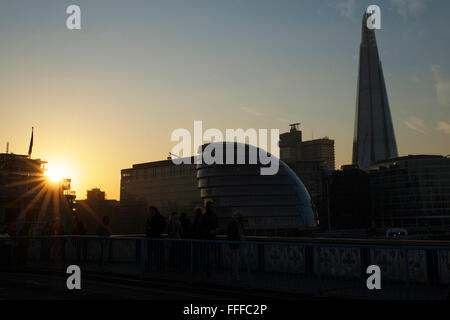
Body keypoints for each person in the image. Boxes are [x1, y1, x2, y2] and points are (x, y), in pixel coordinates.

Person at [145, 206, 166, 272]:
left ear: (154, 210)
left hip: (155, 237)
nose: (149, 211)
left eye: (151, 210)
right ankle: (152, 267)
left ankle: (156, 267)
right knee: (152, 254)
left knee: (156, 253)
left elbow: (161, 226)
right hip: (152, 237)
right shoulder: (152, 217)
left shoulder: (158, 217)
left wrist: (151, 229)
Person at [227, 210, 246, 282]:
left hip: (236, 244)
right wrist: (240, 237)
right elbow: (232, 234)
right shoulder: (233, 223)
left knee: (235, 261)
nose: (241, 219)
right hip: (235, 244)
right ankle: (235, 276)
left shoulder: (236, 223)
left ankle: (235, 276)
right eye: (240, 217)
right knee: (235, 261)